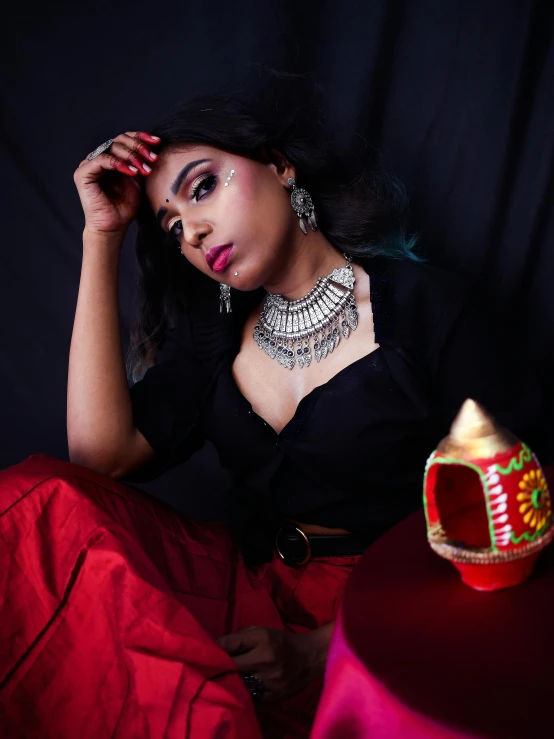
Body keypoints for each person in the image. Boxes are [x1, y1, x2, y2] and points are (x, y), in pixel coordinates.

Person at [0, 89, 549, 739]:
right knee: (38, 509)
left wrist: (324, 645)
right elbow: (99, 457)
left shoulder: (425, 310)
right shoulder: (213, 338)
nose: (194, 233)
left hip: (393, 602)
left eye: (201, 188)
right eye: (173, 228)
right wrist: (102, 233)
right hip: (247, 598)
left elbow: (518, 516)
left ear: (279, 165)